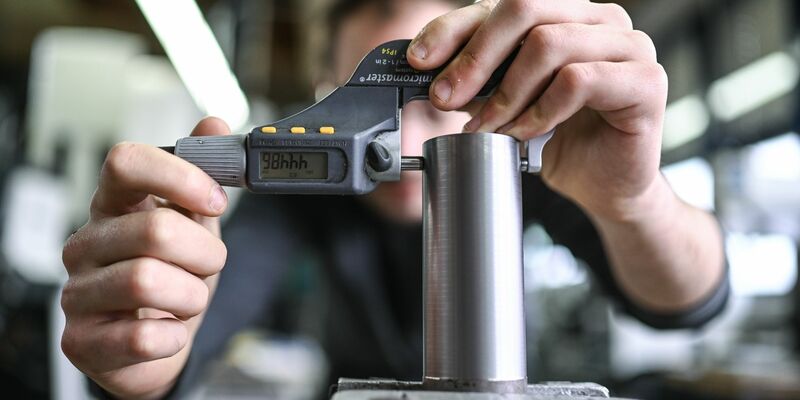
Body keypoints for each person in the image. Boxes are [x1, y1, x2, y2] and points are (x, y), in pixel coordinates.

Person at [60, 0, 729, 398]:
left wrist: (636, 198)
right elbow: (180, 343)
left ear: (488, 88)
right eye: (384, 104)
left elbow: (686, 304)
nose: (410, 137)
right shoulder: (300, 196)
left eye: (444, 98)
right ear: (327, 89)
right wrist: (141, 347)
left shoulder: (519, 161)